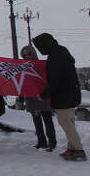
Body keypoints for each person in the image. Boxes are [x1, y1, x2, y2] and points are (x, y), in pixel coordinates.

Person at [33, 33, 86, 161]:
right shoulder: (60, 52)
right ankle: (72, 148)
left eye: (40, 47)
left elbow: (55, 80)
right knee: (69, 123)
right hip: (69, 94)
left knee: (66, 124)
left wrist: (44, 95)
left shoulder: (55, 57)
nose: (40, 51)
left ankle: (78, 150)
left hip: (64, 97)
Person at [21, 45, 57, 152]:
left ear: (34, 53)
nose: (27, 56)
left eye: (29, 54)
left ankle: (52, 142)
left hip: (43, 97)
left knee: (47, 120)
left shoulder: (43, 65)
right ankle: (41, 142)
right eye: (24, 55)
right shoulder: (23, 67)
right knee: (37, 122)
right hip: (31, 98)